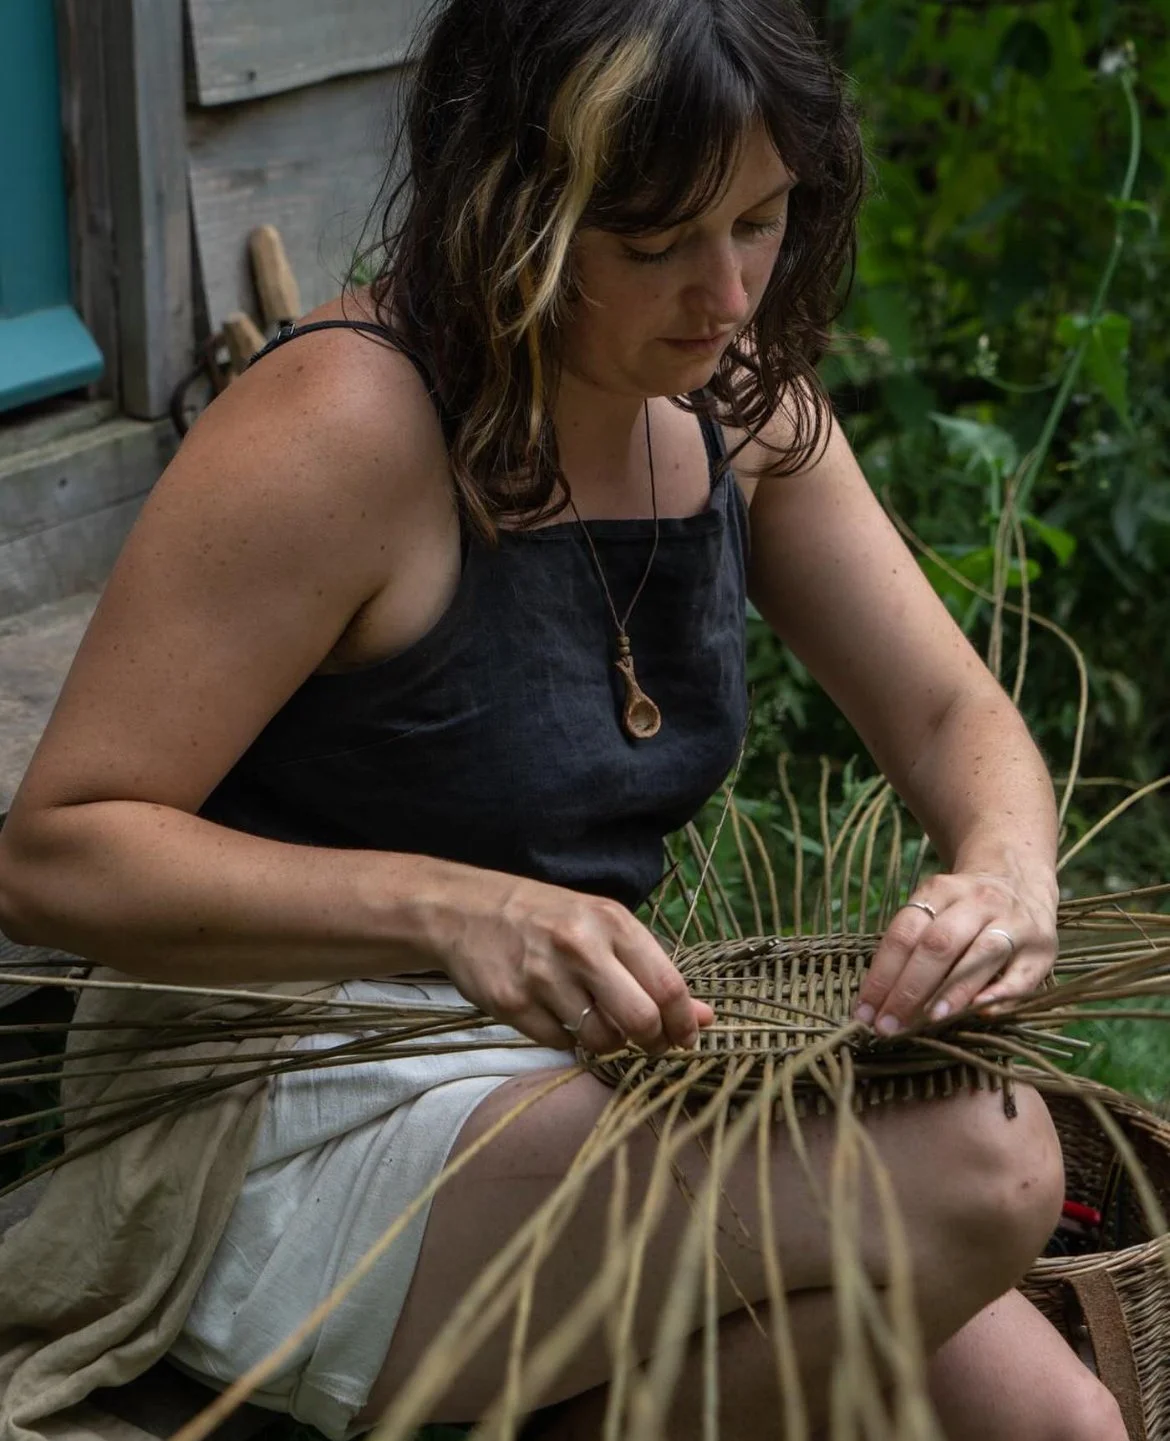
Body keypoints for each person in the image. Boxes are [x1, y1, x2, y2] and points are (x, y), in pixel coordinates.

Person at [0, 1, 1127, 1437]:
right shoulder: (347, 423)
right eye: (655, 243)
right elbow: (57, 855)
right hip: (278, 1105)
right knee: (981, 1169)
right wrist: (450, 909)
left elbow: (949, 712)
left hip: (562, 1076)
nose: (725, 293)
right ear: (506, 205)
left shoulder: (735, 403)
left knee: (1058, 1427)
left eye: (763, 221)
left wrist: (1002, 877)